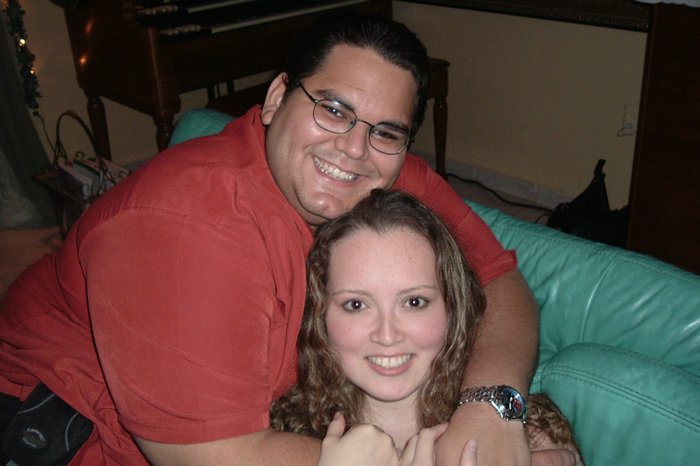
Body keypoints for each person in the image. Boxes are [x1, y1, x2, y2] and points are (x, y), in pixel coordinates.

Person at [0, 11, 575, 465]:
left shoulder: (381, 172)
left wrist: (492, 410)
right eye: (333, 109)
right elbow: (209, 455)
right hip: (59, 428)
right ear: (276, 98)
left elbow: (500, 282)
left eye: (385, 132)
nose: (353, 148)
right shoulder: (184, 226)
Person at [270, 189, 582, 465]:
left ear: (453, 308)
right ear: (320, 315)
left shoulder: (523, 436)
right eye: (356, 305)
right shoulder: (283, 437)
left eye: (414, 302)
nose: (387, 335)